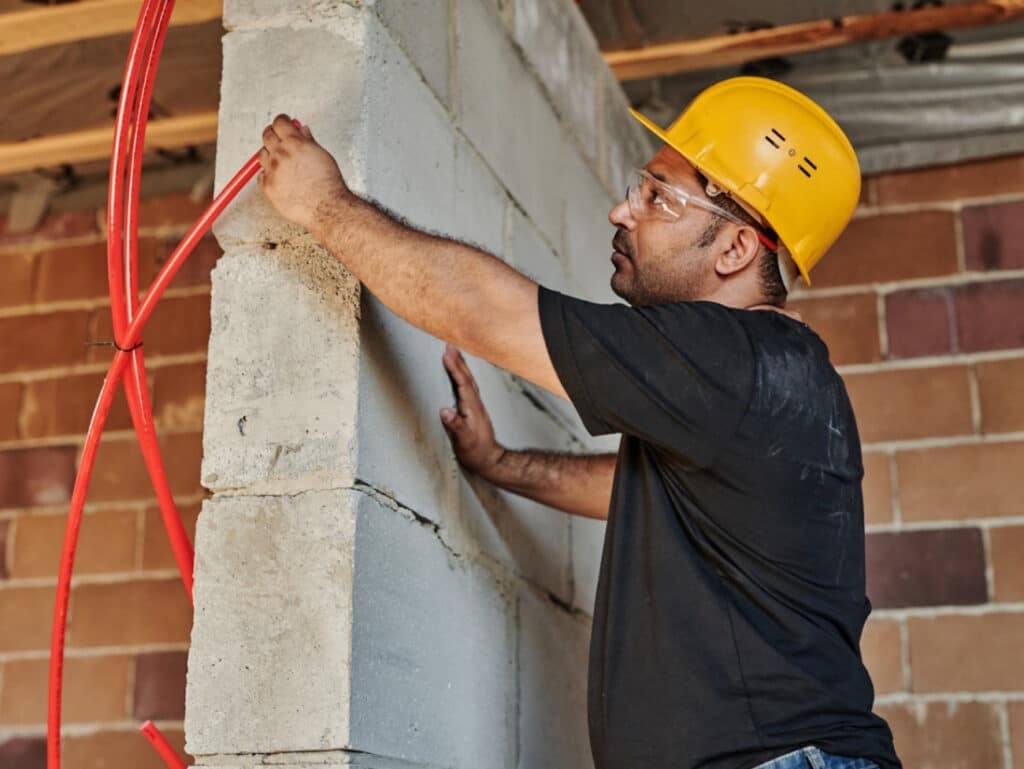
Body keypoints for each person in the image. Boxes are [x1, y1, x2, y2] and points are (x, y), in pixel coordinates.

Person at [258, 75, 902, 769]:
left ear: (736, 250)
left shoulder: (733, 358)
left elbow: (488, 312)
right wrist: (502, 463)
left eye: (658, 196)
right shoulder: (773, 379)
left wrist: (323, 205)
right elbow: (641, 489)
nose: (622, 210)